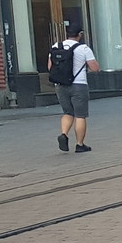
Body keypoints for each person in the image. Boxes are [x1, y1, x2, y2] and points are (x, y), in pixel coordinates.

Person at [49, 24, 98, 153]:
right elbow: (94, 68)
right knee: (80, 115)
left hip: (61, 85)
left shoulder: (56, 46)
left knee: (67, 113)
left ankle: (64, 134)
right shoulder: (83, 48)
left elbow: (50, 67)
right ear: (80, 34)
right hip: (79, 85)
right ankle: (80, 144)